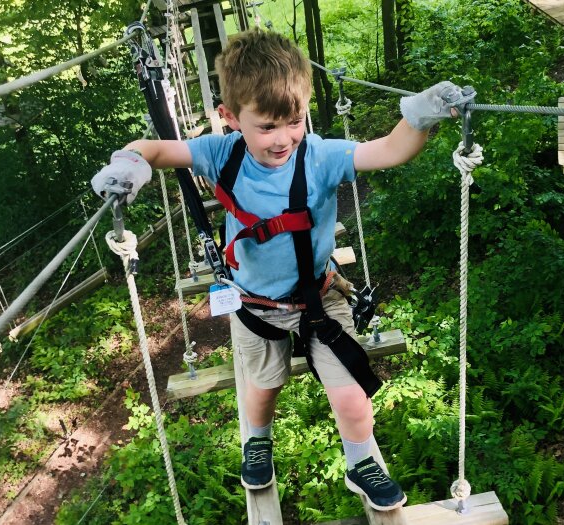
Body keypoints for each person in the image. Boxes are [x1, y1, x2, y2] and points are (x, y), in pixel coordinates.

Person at [92, 28, 473, 512]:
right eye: (266, 127)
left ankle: (361, 461)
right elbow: (157, 148)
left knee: (354, 397)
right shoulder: (220, 152)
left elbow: (387, 150)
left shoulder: (318, 155)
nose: (283, 138)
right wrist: (132, 163)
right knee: (263, 389)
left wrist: (418, 117)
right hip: (255, 304)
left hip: (319, 296)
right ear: (230, 118)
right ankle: (258, 440)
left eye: (293, 121)